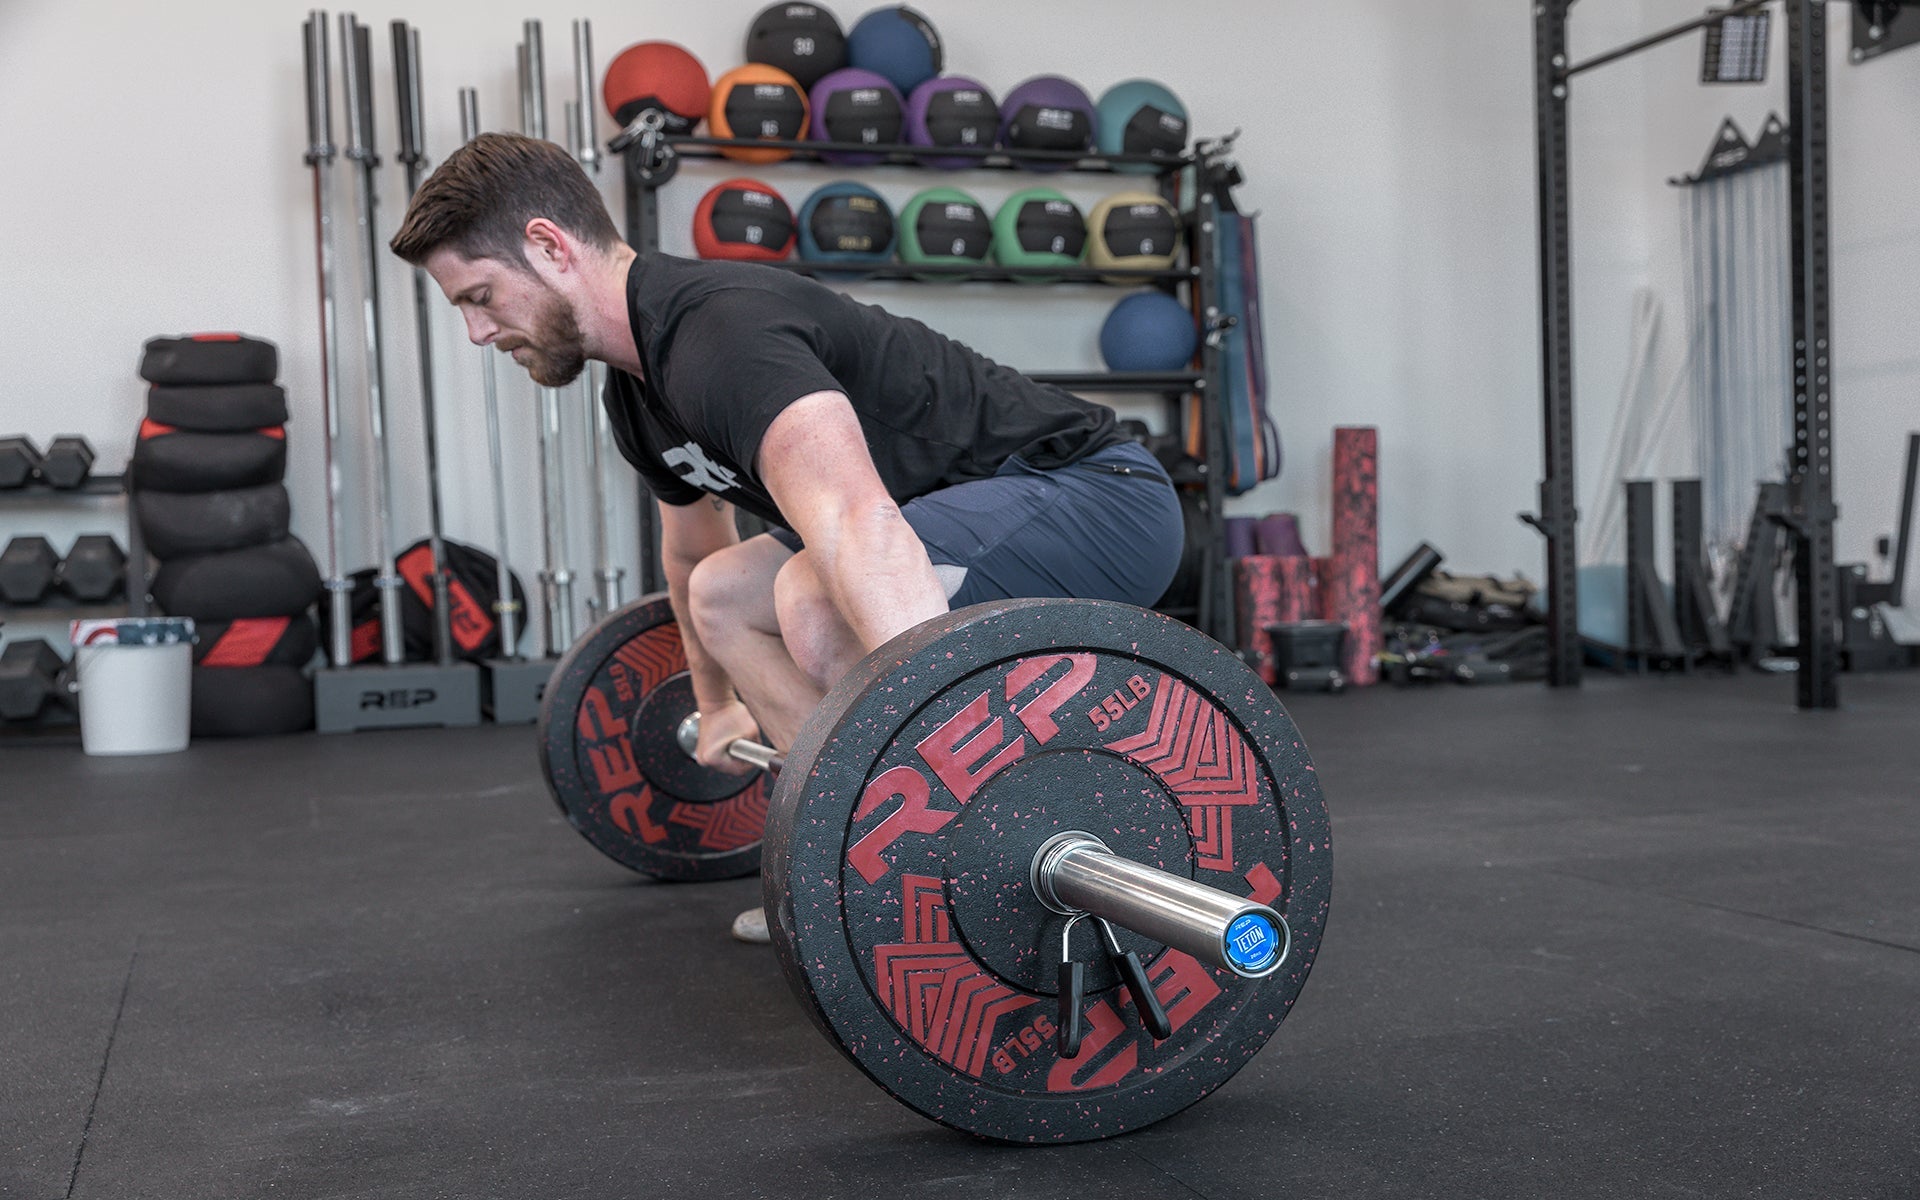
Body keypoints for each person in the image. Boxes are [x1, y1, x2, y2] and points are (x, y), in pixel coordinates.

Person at [390, 133, 1184, 940]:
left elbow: (857, 525)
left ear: (548, 247)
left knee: (811, 589)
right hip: (964, 521)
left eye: (479, 296)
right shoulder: (637, 397)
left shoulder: (721, 334)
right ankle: (850, 854)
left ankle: (950, 869)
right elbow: (695, 555)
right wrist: (716, 706)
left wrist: (970, 780)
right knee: (725, 593)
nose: (478, 334)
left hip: (1097, 497)